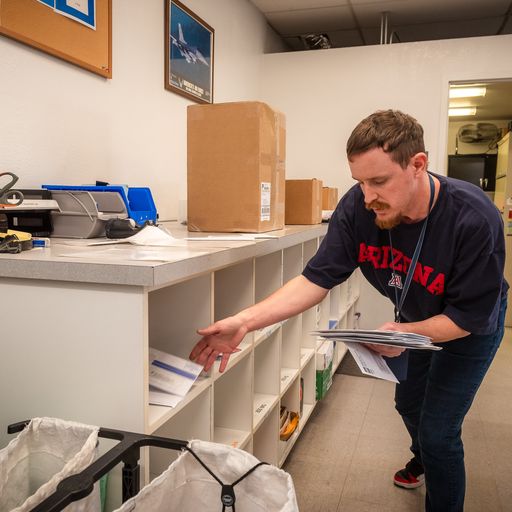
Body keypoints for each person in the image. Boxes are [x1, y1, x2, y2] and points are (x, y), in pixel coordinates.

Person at [189, 109, 508, 512]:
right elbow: (315, 280)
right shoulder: (359, 207)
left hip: (468, 327)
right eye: (359, 182)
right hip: (411, 321)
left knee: (439, 431)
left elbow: (466, 318)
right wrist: (244, 321)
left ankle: (437, 473)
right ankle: (426, 459)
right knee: (408, 404)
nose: (367, 195)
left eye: (379, 181)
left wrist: (405, 334)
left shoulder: (473, 217)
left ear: (418, 165)